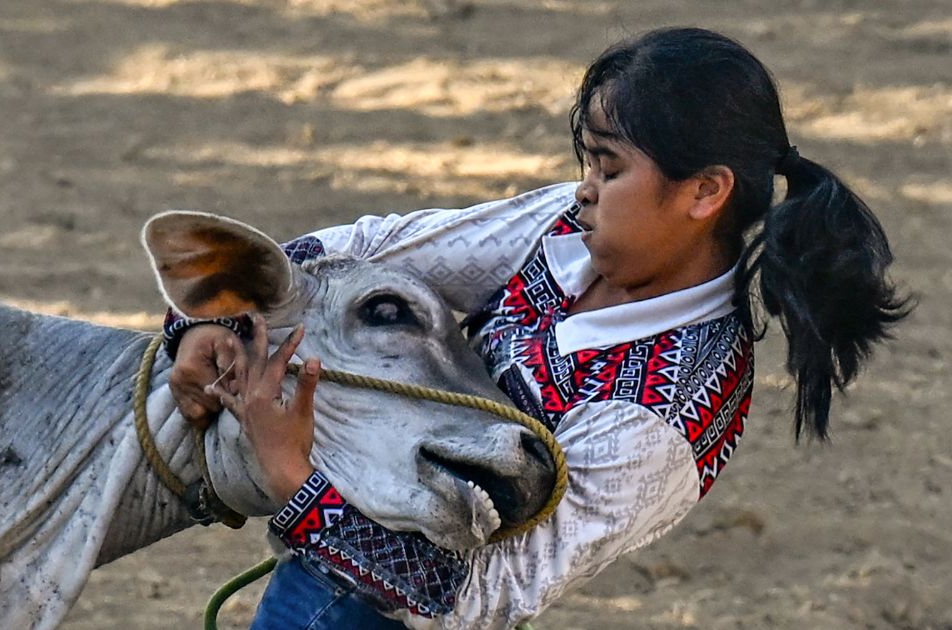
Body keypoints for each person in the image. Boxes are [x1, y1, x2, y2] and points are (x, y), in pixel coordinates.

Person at [163, 27, 910, 629]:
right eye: (587, 162)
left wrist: (293, 477)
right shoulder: (571, 226)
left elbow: (475, 596)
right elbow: (372, 249)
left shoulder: (666, 413)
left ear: (704, 192)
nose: (585, 187)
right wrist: (217, 318)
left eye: (610, 169)